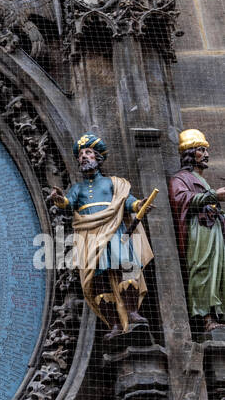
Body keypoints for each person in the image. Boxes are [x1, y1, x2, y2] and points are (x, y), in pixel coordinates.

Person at [50, 133, 153, 340]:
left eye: (88, 153)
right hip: (89, 236)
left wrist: (139, 205)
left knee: (126, 267)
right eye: (80, 155)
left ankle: (132, 312)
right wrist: (60, 199)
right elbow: (68, 205)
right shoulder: (77, 189)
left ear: (98, 158)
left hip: (114, 231)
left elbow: (127, 200)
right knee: (98, 281)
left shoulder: (113, 183)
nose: (83, 158)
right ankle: (113, 323)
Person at [168, 129, 225, 332]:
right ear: (190, 154)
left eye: (206, 150)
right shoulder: (180, 178)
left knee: (218, 270)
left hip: (213, 230)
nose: (207, 155)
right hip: (198, 231)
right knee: (202, 270)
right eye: (202, 150)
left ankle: (218, 313)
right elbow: (181, 199)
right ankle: (205, 317)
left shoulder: (201, 179)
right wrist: (213, 195)